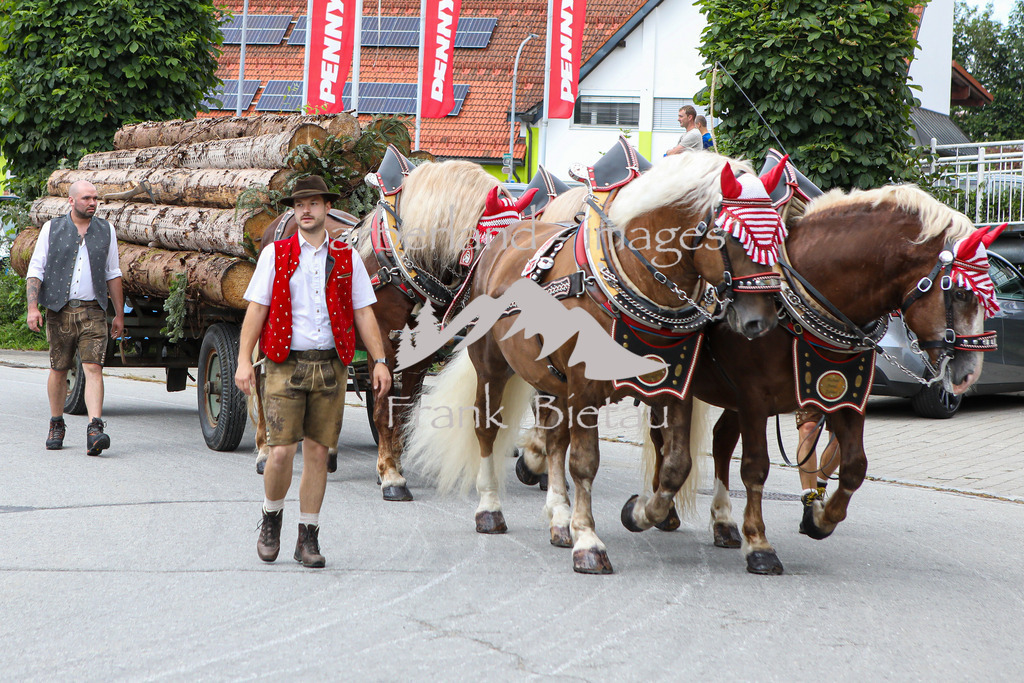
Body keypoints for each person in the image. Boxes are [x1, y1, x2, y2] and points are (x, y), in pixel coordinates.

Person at [235, 175, 391, 569]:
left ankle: (308, 535)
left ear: (325, 209)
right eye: (300, 203)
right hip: (284, 363)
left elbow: (363, 313)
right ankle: (271, 518)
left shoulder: (347, 257)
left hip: (330, 365)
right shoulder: (276, 254)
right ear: (294, 210)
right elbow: (256, 309)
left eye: (314, 203)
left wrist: (380, 360)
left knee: (318, 453)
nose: (306, 209)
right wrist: (242, 360)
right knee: (282, 451)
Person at [26, 180, 125, 456]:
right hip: (59, 310)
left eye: (95, 198)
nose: (92, 203)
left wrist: (118, 313)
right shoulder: (52, 228)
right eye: (86, 198)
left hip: (94, 310)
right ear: (72, 201)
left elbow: (113, 273)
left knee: (94, 367)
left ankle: (95, 428)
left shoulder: (106, 230)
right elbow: (36, 269)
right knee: (59, 368)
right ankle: (56, 422)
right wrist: (33, 307)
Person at [794, 407, 840, 534]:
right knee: (808, 428)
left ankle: (819, 484)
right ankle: (809, 503)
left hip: (843, 387)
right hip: (810, 387)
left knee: (839, 438)